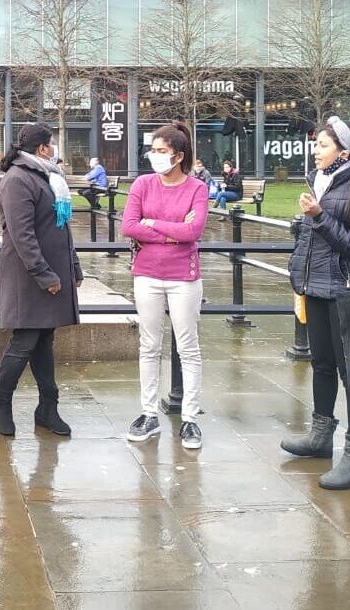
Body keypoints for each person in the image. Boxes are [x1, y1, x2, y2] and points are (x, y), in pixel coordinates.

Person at [280, 116, 350, 489]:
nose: (315, 151)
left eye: (322, 145)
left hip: (347, 292)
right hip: (316, 288)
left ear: (344, 151)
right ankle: (321, 436)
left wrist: (320, 217)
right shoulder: (319, 182)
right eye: (316, 144)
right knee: (321, 364)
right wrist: (298, 272)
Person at [122, 121, 208, 449]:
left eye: (162, 151)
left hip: (183, 277)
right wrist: (173, 230)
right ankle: (148, 413)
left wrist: (152, 223)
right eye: (153, 150)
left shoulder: (197, 188)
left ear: (178, 156)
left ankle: (189, 418)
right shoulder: (143, 184)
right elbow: (129, 226)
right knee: (149, 344)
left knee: (188, 346)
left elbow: (194, 232)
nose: (155, 156)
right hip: (146, 274)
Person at [0, 123, 82, 437]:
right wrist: (44, 274)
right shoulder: (18, 179)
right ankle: (0, 405)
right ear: (42, 148)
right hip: (29, 277)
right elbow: (22, 235)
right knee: (24, 342)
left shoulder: (47, 177)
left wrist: (73, 267)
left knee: (44, 340)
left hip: (51, 273)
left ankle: (47, 408)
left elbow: (62, 227)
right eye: (52, 144)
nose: (54, 148)